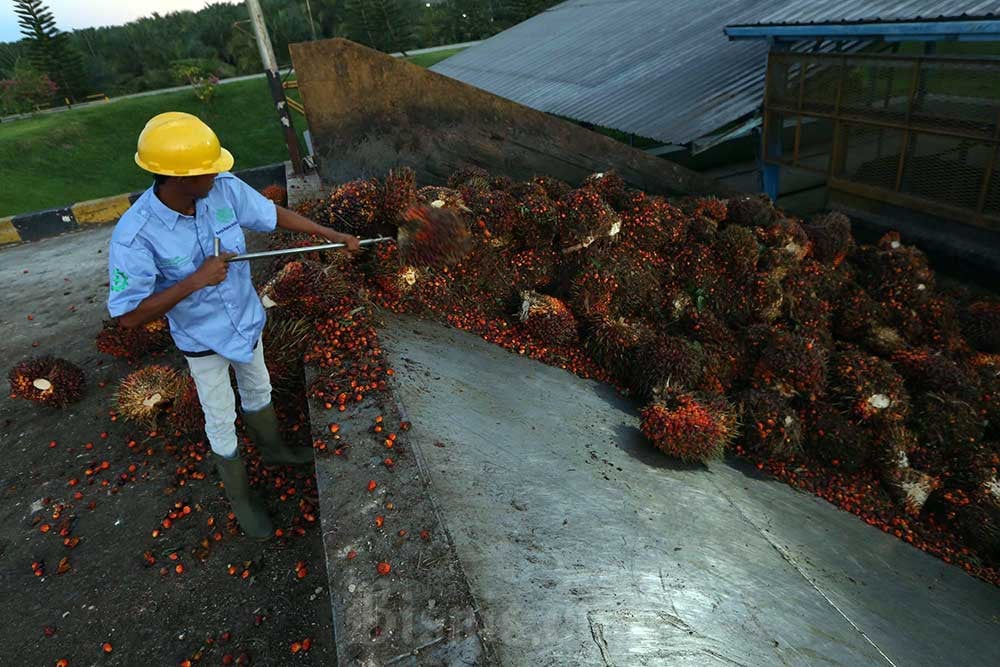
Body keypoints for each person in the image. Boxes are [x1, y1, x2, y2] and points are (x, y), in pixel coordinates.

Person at [106, 111, 360, 540]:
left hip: (247, 321)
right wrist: (194, 280)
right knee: (220, 416)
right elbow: (128, 316)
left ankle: (275, 449)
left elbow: (271, 214)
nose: (221, 173)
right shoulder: (135, 236)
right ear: (178, 178)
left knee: (258, 387)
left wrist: (328, 234)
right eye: (209, 170)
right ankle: (241, 496)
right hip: (202, 342)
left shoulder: (220, 189)